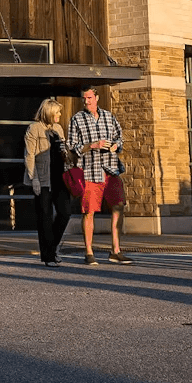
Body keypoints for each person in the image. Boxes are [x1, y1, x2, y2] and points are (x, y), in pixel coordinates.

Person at [68, 86, 133, 266]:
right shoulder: (77, 119)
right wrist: (92, 145)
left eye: (89, 98)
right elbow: (72, 146)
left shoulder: (109, 116)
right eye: (84, 98)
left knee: (118, 207)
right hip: (90, 171)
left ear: (97, 97)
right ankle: (89, 253)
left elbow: (120, 138)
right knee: (89, 212)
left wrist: (115, 146)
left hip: (111, 170)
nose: (86, 101)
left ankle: (116, 251)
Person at [24, 98, 72, 266]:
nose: (59, 114)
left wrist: (65, 153)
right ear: (49, 112)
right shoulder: (34, 128)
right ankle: (48, 256)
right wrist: (34, 178)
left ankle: (52, 247)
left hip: (60, 178)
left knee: (65, 212)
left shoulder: (58, 129)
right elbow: (29, 155)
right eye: (57, 112)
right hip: (43, 179)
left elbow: (64, 152)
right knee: (44, 217)